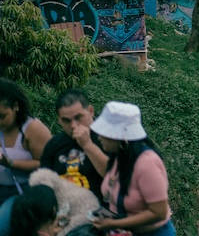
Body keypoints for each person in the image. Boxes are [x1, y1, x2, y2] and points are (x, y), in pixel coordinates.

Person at [90, 102, 174, 236]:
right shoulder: (120, 157)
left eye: (105, 133)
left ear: (122, 138)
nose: (99, 138)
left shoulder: (147, 163)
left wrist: (113, 223)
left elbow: (159, 212)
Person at [0, 78, 52, 236]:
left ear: (16, 106)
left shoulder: (32, 129)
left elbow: (46, 163)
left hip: (23, 191)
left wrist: (11, 163)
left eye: (2, 116)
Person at [40, 89, 108, 201]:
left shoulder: (107, 139)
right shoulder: (54, 144)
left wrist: (88, 145)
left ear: (90, 111)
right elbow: (44, 179)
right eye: (66, 120)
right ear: (59, 120)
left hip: (98, 208)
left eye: (78, 118)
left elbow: (113, 176)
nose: (73, 125)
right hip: (62, 205)